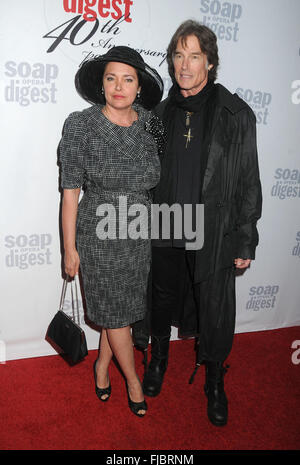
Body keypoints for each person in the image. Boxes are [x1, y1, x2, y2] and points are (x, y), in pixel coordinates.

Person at [142, 20, 262, 426]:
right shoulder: (159, 113)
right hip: (164, 220)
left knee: (213, 307)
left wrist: (245, 240)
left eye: (194, 55)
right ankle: (157, 360)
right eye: (178, 55)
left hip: (213, 226)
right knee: (159, 296)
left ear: (209, 62)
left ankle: (214, 379)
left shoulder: (235, 113)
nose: (184, 65)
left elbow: (248, 178)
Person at [58, 46, 164, 417]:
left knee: (119, 310)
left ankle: (101, 366)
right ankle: (133, 383)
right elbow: (70, 193)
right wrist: (69, 248)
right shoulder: (80, 125)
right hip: (98, 234)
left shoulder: (153, 124)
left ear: (139, 86)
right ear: (101, 84)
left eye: (128, 78)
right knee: (116, 314)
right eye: (111, 77)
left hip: (138, 232)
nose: (119, 86)